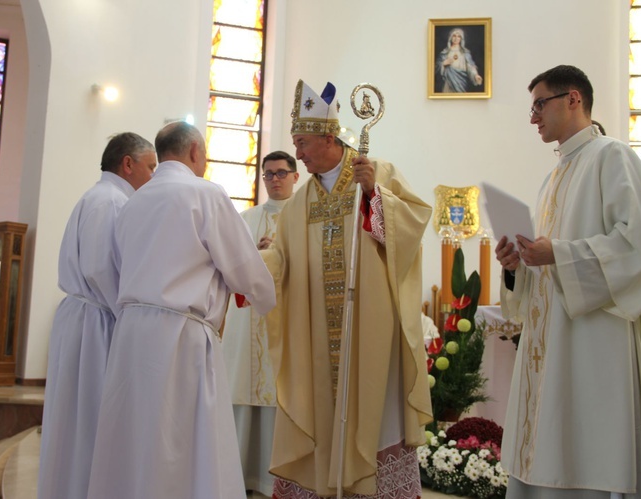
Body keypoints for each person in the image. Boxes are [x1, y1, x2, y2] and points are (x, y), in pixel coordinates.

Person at [495, 64, 641, 498]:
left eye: (540, 104)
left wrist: (560, 254)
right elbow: (545, 273)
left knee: (587, 456)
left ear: (574, 98)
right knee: (546, 448)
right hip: (550, 347)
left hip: (592, 343)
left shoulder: (612, 156)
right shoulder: (550, 179)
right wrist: (518, 266)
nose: (533, 117)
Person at [86, 121, 276, 499]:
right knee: (180, 441)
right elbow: (242, 268)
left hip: (131, 333)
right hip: (180, 335)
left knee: (136, 437)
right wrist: (271, 297)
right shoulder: (205, 194)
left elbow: (119, 266)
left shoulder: (133, 201)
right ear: (194, 152)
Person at [263, 79, 433, 498]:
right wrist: (246, 265)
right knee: (320, 409)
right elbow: (280, 259)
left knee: (374, 415)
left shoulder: (376, 172)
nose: (297, 154)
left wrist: (375, 194)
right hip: (316, 337)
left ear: (327, 138)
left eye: (301, 143)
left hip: (371, 331)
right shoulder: (300, 202)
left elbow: (409, 231)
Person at [38, 132, 157, 499]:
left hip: (87, 316)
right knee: (89, 416)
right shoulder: (110, 201)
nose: (153, 176)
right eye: (151, 167)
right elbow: (99, 268)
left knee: (77, 417)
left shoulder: (102, 196)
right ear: (128, 164)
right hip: (97, 319)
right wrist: (129, 317)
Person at [222, 150, 299, 496]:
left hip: (289, 321)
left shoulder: (308, 218)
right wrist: (256, 254)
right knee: (242, 391)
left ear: (296, 176)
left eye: (281, 173)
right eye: (268, 174)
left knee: (282, 396)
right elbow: (230, 267)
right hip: (247, 322)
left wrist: (281, 254)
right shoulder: (244, 219)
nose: (274, 180)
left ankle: (275, 481)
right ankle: (238, 476)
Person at [436, 27, 483, 93]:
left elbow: (470, 66)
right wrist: (443, 63)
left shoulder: (465, 53)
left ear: (461, 39)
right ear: (450, 37)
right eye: (454, 36)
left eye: (459, 36)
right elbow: (435, 69)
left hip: (461, 82)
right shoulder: (445, 53)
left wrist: (475, 75)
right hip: (449, 82)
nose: (456, 38)